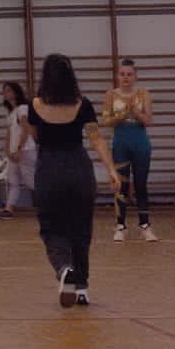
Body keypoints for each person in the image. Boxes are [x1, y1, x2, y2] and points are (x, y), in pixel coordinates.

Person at [29, 52, 122, 307]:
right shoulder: (84, 105)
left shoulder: (34, 106)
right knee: (81, 229)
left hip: (49, 171)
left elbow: (36, 137)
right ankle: (81, 288)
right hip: (79, 170)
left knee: (52, 228)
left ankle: (64, 269)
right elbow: (96, 139)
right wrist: (112, 170)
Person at [102, 57, 157, 243]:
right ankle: (120, 225)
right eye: (123, 74)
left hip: (140, 143)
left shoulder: (143, 94)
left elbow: (148, 120)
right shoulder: (111, 95)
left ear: (135, 76)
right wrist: (123, 114)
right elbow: (106, 121)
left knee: (141, 184)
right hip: (121, 144)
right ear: (118, 76)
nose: (126, 77)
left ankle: (145, 225)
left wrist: (136, 111)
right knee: (121, 185)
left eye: (129, 74)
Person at [1, 79, 35, 216]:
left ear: (16, 92)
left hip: (25, 150)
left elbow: (26, 129)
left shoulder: (22, 109)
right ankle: (9, 208)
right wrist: (8, 151)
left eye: (9, 90)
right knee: (13, 181)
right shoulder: (11, 113)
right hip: (14, 152)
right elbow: (9, 134)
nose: (6, 93)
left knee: (31, 181)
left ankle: (53, 203)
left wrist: (20, 149)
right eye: (4, 91)